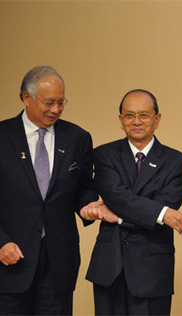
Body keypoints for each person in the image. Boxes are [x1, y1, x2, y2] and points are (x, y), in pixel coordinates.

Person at [84, 89, 182, 315]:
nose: (136, 121)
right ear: (121, 121)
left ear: (157, 119)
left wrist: (119, 217)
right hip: (110, 266)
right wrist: (161, 214)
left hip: (153, 268)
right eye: (129, 115)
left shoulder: (177, 162)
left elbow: (161, 204)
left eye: (144, 115)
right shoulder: (103, 155)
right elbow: (116, 196)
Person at [0, 66, 100, 314]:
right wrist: (1, 242)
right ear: (26, 98)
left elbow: (84, 186)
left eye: (61, 102)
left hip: (58, 259)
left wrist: (88, 206)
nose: (56, 109)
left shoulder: (77, 137)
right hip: (10, 257)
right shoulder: (2, 136)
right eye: (49, 102)